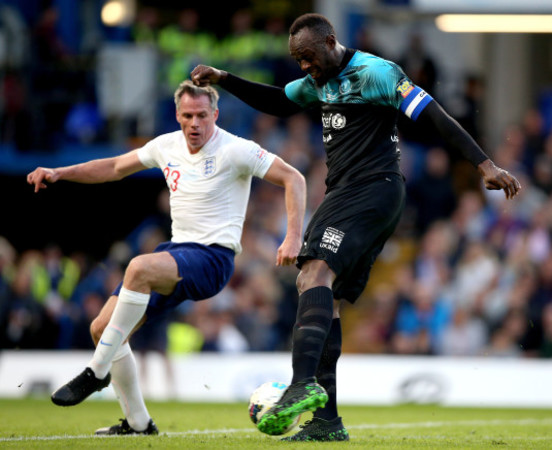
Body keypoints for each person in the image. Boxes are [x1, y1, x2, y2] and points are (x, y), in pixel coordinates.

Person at [191, 13, 521, 441]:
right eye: (298, 60)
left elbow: (433, 115)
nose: (304, 67)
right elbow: (278, 100)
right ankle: (327, 421)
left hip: (372, 189)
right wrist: (225, 78)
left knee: (313, 271)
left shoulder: (377, 72)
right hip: (351, 193)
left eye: (308, 56)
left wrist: (485, 164)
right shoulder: (316, 82)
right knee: (326, 299)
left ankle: (301, 384)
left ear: (330, 42)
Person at [26, 80, 306, 435]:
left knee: (138, 267)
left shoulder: (236, 150)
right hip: (175, 254)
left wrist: (293, 237)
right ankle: (138, 422)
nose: (194, 123)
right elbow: (114, 168)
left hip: (212, 259)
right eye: (187, 116)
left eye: (202, 115)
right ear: (177, 115)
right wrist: (60, 173)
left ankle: (96, 372)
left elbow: (294, 178)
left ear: (215, 115)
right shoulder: (166, 146)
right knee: (103, 329)